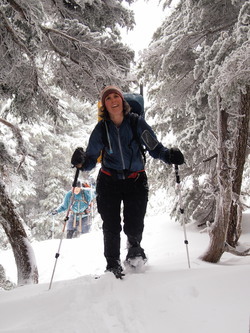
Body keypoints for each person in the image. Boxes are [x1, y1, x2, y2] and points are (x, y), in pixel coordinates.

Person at [71, 85, 184, 278]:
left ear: (122, 101)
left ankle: (134, 249)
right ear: (104, 105)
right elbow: (90, 160)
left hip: (136, 180)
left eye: (116, 97)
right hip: (109, 181)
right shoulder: (101, 129)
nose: (113, 100)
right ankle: (112, 264)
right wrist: (80, 161)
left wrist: (169, 156)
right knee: (111, 225)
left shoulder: (136, 123)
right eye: (108, 98)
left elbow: (155, 148)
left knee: (134, 222)